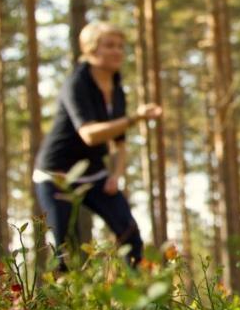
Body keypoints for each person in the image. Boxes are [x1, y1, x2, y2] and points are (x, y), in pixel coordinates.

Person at [33, 21, 162, 270]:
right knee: (65, 249)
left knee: (130, 236)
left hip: (95, 173)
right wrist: (136, 118)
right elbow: (90, 135)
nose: (117, 52)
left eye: (120, 47)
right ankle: (63, 305)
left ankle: (138, 304)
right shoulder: (76, 84)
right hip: (56, 175)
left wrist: (116, 174)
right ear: (91, 49)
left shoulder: (117, 89)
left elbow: (119, 142)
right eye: (109, 46)